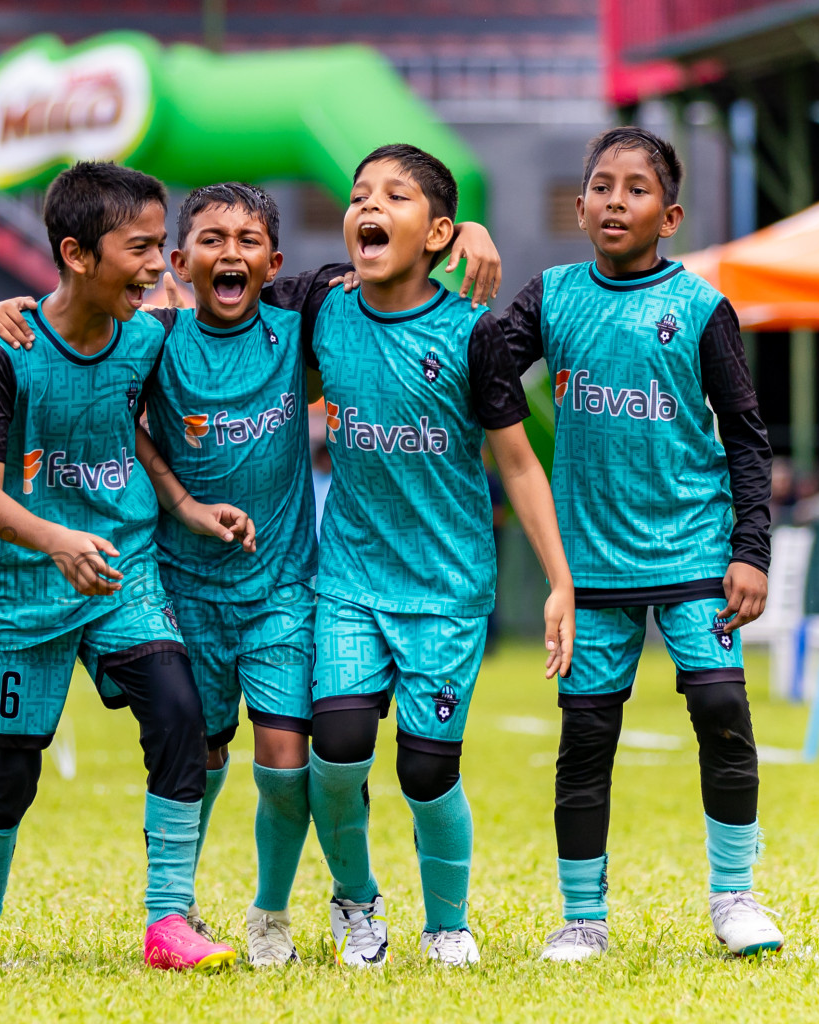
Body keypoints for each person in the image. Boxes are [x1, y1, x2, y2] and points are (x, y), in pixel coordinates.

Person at [0, 183, 505, 966]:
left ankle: (282, 910)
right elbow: (113, 404)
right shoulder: (151, 338)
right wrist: (1, 312)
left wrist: (471, 230)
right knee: (202, 753)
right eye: (210, 241)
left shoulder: (301, 327)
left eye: (249, 240)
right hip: (184, 589)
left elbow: (381, 259)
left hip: (283, 589)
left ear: (274, 262)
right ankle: (174, 914)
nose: (232, 254)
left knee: (289, 767)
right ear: (180, 264)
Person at [0, 161, 259, 972]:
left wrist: (182, 505)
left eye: (162, 247)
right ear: (77, 253)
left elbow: (132, 429)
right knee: (10, 775)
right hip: (24, 587)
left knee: (180, 712)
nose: (160, 266)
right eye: (143, 248)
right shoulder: (4, 352)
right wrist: (54, 540)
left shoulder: (147, 339)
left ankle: (168, 924)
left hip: (124, 570)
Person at [277, 145, 572, 969]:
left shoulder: (473, 333)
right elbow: (211, 295)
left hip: (446, 591)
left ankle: (447, 924)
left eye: (396, 197)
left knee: (427, 773)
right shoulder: (321, 304)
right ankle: (357, 903)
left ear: (437, 230)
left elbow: (517, 462)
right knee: (333, 756)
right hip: (348, 581)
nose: (370, 205)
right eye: (359, 194)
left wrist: (559, 581)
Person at [498, 126, 780, 960]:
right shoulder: (550, 296)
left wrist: (751, 549)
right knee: (586, 736)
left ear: (671, 215)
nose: (616, 200)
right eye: (602, 187)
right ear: (579, 207)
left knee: (722, 710)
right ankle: (582, 918)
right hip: (587, 569)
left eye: (636, 189)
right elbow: (484, 365)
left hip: (694, 554)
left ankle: (736, 898)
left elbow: (747, 436)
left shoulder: (698, 307)